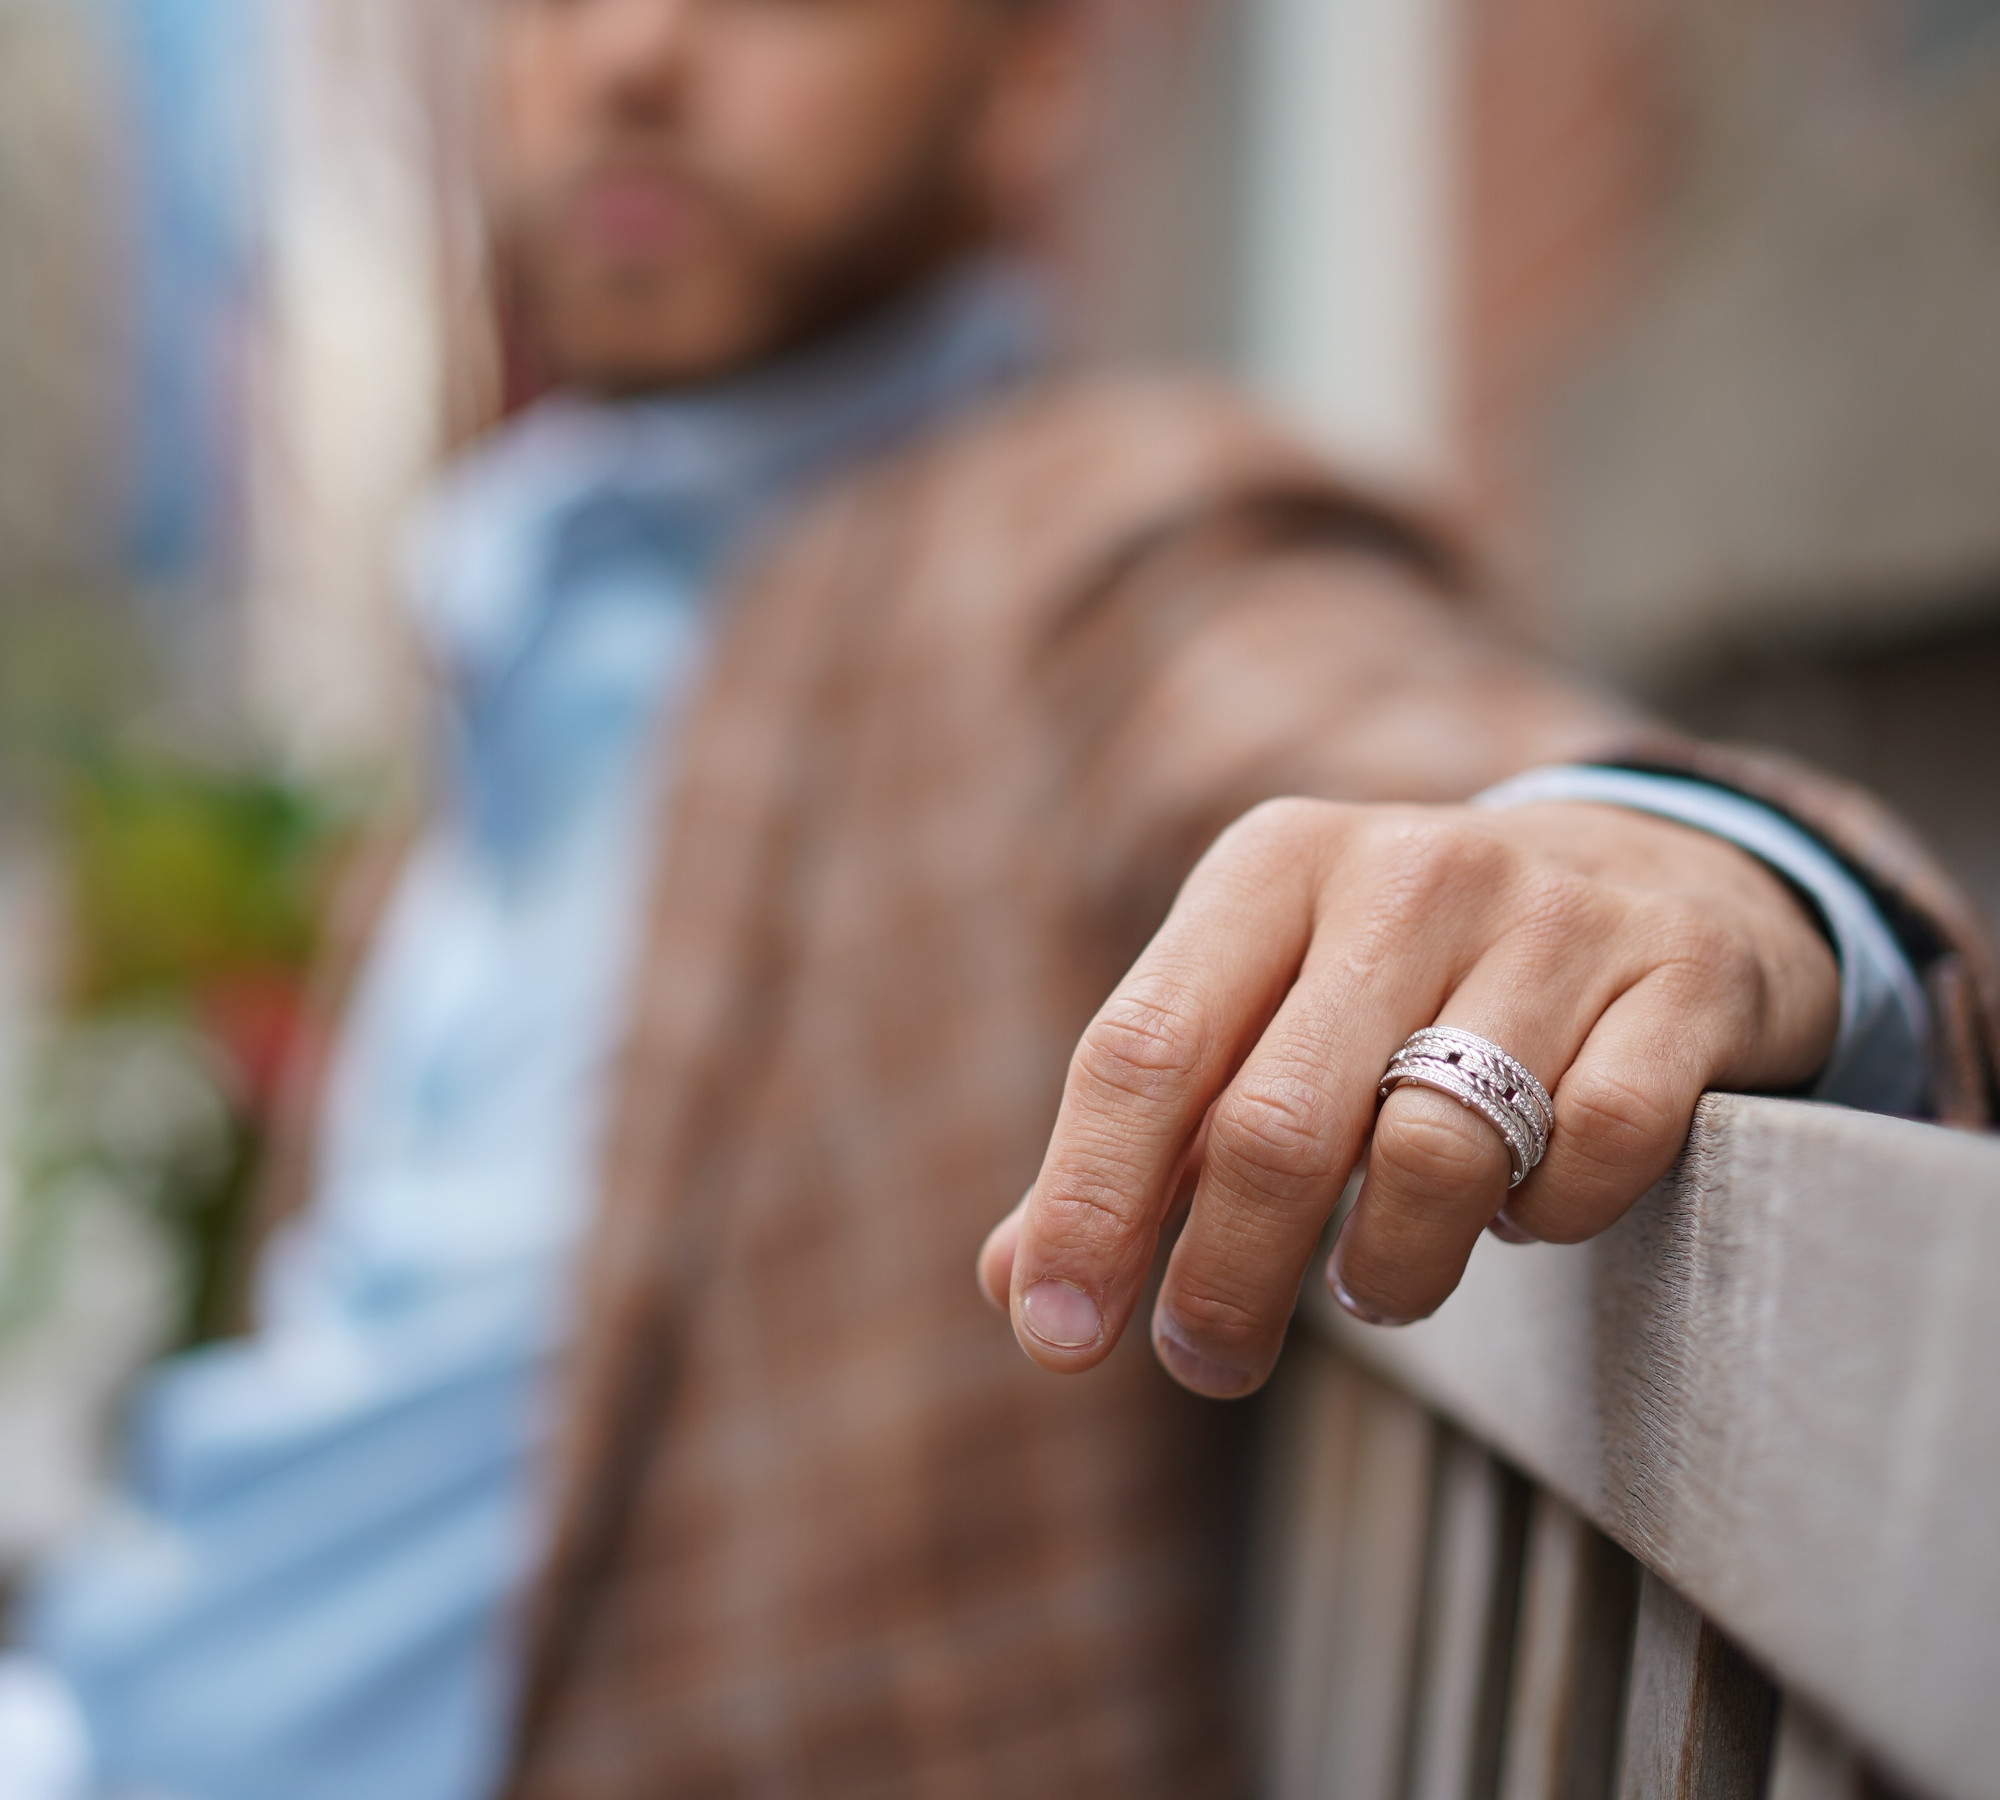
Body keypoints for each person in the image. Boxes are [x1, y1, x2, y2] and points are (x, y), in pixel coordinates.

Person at [3, 0, 1993, 1795]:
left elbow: (1365, 711)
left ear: (1028, 78)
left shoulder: (1072, 542)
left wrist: (1688, 866)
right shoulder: (503, 637)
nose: (625, 55)